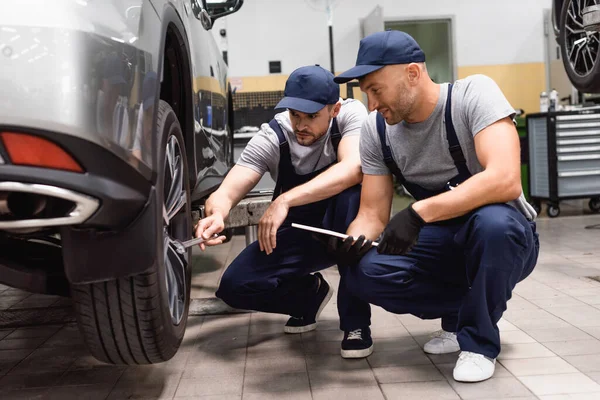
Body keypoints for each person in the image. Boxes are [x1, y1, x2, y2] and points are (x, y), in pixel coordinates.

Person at [323, 31, 539, 382]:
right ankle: (462, 311)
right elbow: (373, 214)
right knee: (365, 273)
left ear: (412, 73)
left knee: (493, 226)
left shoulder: (473, 95)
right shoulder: (377, 131)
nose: (372, 104)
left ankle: (479, 343)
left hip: (505, 235)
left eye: (376, 90)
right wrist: (352, 241)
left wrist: (417, 213)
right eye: (366, 94)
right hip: (445, 240)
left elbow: (505, 179)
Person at [194, 65, 374, 358]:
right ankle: (308, 297)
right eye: (295, 115)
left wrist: (284, 200)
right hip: (301, 233)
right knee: (234, 286)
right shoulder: (274, 135)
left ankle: (355, 324)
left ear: (334, 109)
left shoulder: (351, 116)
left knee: (352, 197)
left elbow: (353, 169)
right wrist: (217, 213)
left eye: (312, 116)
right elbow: (229, 188)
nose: (301, 125)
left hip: (344, 228)